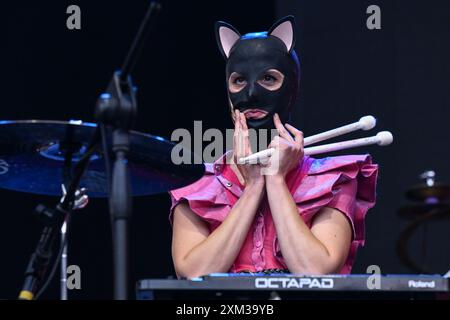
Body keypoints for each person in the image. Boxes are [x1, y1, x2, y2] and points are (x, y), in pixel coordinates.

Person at [169, 16, 378, 279]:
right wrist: (254, 186)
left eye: (268, 78)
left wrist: (276, 180)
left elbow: (315, 272)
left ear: (292, 88)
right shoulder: (198, 183)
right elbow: (193, 275)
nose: (251, 94)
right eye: (238, 81)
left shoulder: (334, 178)